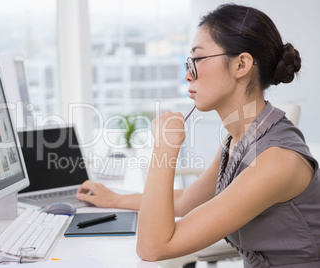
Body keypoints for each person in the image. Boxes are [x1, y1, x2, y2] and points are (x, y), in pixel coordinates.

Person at [76, 4, 320, 267]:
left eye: (198, 59)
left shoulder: (276, 161)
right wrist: (115, 199)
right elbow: (186, 201)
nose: (187, 74)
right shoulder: (238, 138)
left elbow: (152, 247)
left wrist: (165, 148)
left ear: (241, 64)